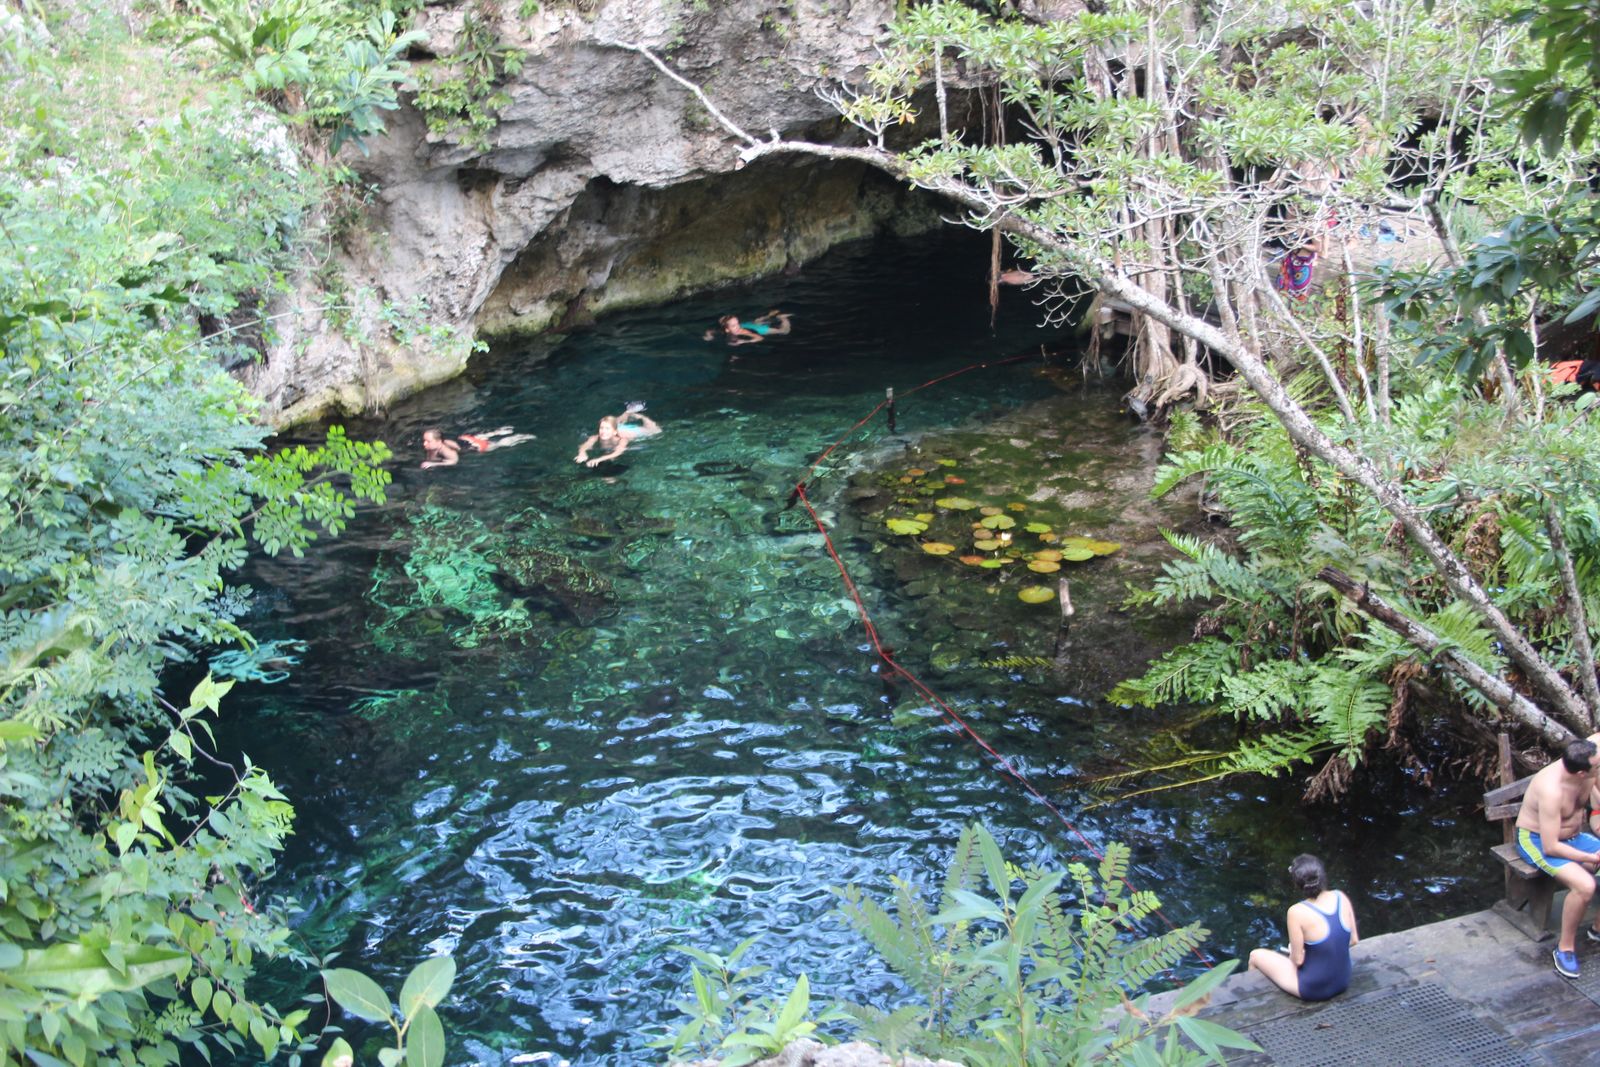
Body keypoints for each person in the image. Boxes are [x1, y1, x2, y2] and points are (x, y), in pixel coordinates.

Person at [1515, 737, 1600, 977]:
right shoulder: (1551, 789)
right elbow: (1550, 846)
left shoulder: (1588, 760)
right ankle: (1565, 948)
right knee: (1585, 886)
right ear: (1583, 773)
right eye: (1598, 767)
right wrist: (1592, 857)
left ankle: (1597, 929)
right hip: (1537, 841)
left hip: (1573, 837)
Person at [1247, 854, 1359, 1001]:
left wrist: (1294, 951)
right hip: (1343, 981)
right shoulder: (1341, 896)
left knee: (1255, 955)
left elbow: (1297, 961)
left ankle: (1252, 1001)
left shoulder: (1296, 911)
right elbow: (1354, 940)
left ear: (1297, 884)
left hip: (1313, 988)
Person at [573, 403, 661, 467]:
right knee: (614, 422)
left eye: (606, 429)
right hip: (615, 428)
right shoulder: (595, 437)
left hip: (631, 431)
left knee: (656, 431)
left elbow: (618, 452)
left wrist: (599, 459)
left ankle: (637, 414)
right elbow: (584, 446)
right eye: (601, 428)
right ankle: (627, 412)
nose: (603, 431)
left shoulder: (623, 439)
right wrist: (582, 453)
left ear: (614, 432)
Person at [420, 426, 535, 469]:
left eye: (428, 441)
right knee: (480, 437)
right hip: (465, 439)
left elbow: (454, 461)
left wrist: (434, 464)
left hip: (475, 447)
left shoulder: (446, 450)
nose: (424, 444)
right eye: (424, 440)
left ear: (438, 442)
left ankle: (520, 437)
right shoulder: (442, 443)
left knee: (499, 444)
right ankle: (498, 431)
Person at [708, 310, 792, 345]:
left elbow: (760, 338)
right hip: (747, 324)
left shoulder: (742, 332)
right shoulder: (722, 330)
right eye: (734, 325)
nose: (737, 327)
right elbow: (710, 331)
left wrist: (743, 341)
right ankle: (768, 316)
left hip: (758, 330)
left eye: (737, 324)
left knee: (784, 331)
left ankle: (782, 317)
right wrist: (708, 336)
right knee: (756, 322)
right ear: (726, 329)